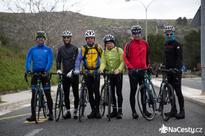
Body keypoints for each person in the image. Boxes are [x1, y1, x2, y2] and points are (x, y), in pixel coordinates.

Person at [25, 31, 53, 121]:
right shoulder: (32, 50)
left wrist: (46, 70)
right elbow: (28, 61)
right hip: (35, 73)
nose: (40, 39)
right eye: (38, 38)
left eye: (42, 38)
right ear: (36, 39)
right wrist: (28, 70)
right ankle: (33, 115)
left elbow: (50, 61)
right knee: (33, 95)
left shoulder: (48, 50)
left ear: (45, 39)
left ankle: (51, 113)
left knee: (47, 94)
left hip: (44, 74)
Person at [123, 25, 150, 119]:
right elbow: (125, 57)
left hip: (143, 71)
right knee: (133, 91)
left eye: (138, 33)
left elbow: (147, 56)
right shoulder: (129, 44)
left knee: (143, 91)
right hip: (133, 72)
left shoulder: (145, 43)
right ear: (132, 34)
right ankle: (134, 112)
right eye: (134, 33)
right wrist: (130, 68)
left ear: (140, 33)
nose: (137, 35)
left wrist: (148, 66)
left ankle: (145, 110)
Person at [74, 30, 103, 119]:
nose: (90, 40)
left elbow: (104, 58)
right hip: (86, 72)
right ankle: (93, 110)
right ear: (86, 39)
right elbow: (78, 60)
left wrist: (104, 68)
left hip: (96, 72)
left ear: (94, 39)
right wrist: (77, 69)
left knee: (96, 92)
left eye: (91, 38)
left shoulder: (98, 47)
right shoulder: (83, 48)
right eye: (88, 38)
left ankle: (97, 111)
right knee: (90, 92)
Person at [99, 34, 125, 119]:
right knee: (112, 93)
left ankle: (120, 111)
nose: (109, 44)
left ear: (113, 43)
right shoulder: (104, 52)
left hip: (118, 74)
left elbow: (123, 61)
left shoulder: (119, 50)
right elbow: (103, 62)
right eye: (107, 43)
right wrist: (101, 69)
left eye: (110, 43)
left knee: (118, 92)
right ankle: (114, 111)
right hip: (109, 74)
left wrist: (119, 69)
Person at [56, 30, 79, 119]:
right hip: (65, 74)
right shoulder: (60, 49)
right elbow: (58, 60)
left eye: (68, 37)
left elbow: (77, 62)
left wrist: (73, 70)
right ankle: (68, 111)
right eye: (64, 37)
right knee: (66, 93)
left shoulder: (75, 48)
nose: (66, 39)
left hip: (74, 74)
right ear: (63, 38)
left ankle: (76, 110)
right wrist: (58, 69)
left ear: (70, 38)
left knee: (76, 93)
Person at [163, 25, 185, 119]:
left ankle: (182, 111)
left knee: (178, 91)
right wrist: (163, 66)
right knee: (170, 92)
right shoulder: (166, 44)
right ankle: (173, 110)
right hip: (168, 71)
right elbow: (166, 58)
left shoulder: (177, 44)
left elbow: (179, 58)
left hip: (176, 72)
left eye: (170, 33)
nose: (169, 35)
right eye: (167, 34)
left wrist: (176, 68)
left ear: (173, 33)